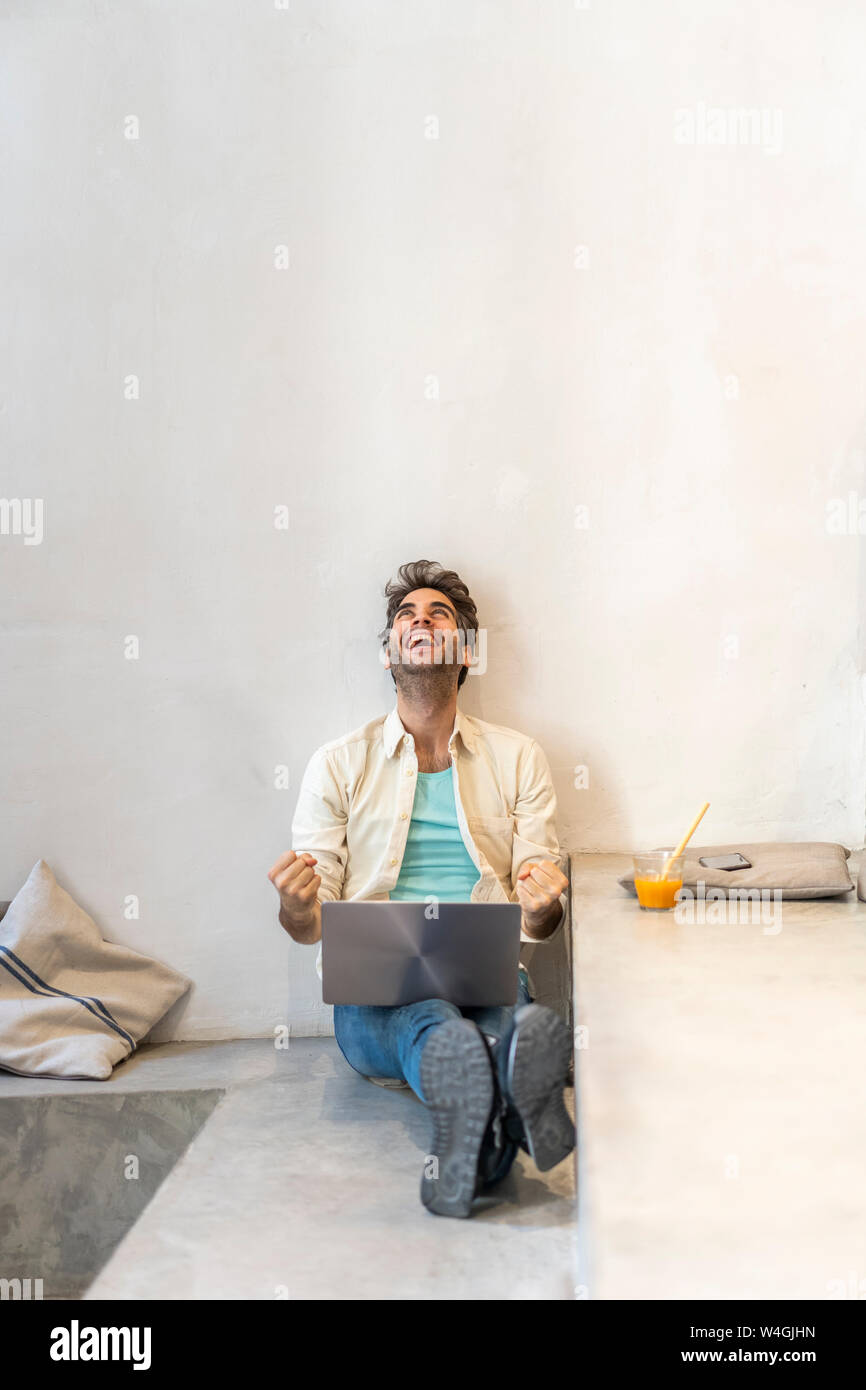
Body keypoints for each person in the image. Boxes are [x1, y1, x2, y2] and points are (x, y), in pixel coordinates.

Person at [268, 559, 575, 1218]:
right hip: (375, 996)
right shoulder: (338, 763)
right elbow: (309, 923)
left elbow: (538, 919)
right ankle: (510, 1088)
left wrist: (546, 905)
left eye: (438, 615)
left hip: (486, 974)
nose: (421, 623)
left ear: (463, 651)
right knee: (435, 1020)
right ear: (388, 654)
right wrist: (296, 907)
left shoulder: (519, 758)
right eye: (407, 616)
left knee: (489, 1015)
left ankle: (485, 1115)